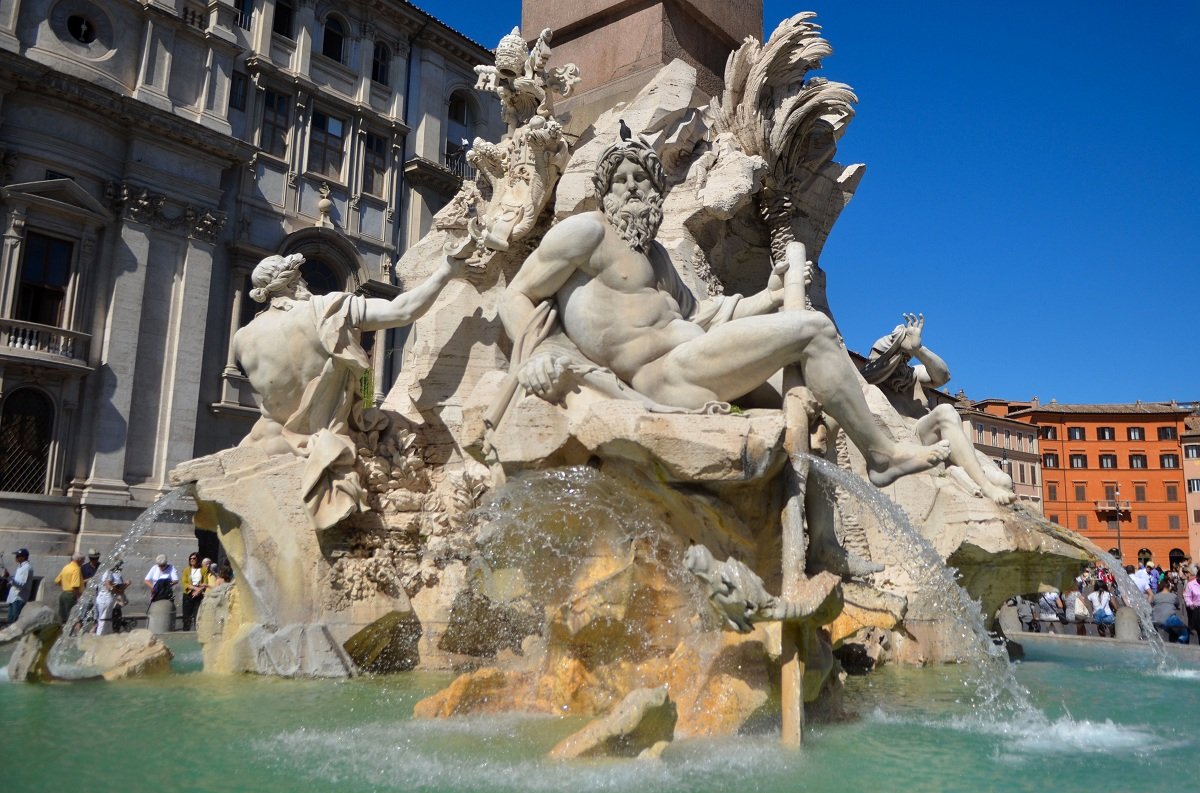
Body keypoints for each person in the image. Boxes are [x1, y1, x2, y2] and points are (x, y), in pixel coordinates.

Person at [499, 135, 950, 489]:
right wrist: (535, 354)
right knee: (813, 330)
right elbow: (515, 294)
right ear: (605, 191)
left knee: (816, 415)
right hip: (660, 377)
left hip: (695, 363)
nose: (634, 187)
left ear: (658, 192)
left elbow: (705, 317)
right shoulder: (585, 234)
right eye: (622, 179)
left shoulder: (656, 256)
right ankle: (882, 457)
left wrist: (771, 296)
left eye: (644, 179)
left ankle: (822, 543)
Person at [232, 250, 468, 530]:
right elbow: (404, 311)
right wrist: (446, 270)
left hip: (271, 446)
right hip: (333, 441)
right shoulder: (328, 310)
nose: (305, 284)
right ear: (292, 283)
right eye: (301, 278)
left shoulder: (242, 338)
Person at [861, 314, 1015, 504]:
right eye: (901, 359)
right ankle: (985, 486)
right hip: (914, 440)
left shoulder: (913, 375)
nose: (904, 365)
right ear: (889, 361)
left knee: (1006, 481)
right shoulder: (873, 386)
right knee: (946, 411)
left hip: (945, 441)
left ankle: (957, 471)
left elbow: (944, 376)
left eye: (906, 360)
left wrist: (919, 350)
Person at [1151, 577, 1189, 643]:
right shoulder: (1173, 596)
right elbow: (1177, 604)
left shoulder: (1155, 596)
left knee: (1172, 632)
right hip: (1169, 619)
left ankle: (1172, 645)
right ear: (1169, 586)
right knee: (1184, 633)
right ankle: (1179, 645)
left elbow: (1152, 604)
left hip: (1156, 620)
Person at [95, 561, 127, 635]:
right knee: (103, 621)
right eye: (119, 566)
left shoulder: (111, 573)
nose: (120, 568)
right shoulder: (108, 572)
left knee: (105, 620)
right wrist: (118, 591)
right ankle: (99, 638)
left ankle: (103, 636)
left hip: (106, 598)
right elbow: (108, 585)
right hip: (105, 599)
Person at [3, 548, 33, 623]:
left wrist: (9, 578)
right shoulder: (20, 567)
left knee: (14, 621)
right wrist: (9, 580)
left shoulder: (26, 568)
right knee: (10, 620)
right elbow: (17, 580)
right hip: (13, 597)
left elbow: (22, 584)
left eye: (18, 556)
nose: (16, 557)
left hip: (19, 598)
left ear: (23, 557)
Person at [54, 553, 85, 623]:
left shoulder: (66, 567)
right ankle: (76, 633)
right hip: (72, 595)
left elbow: (57, 581)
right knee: (74, 617)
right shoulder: (76, 569)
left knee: (63, 618)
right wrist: (78, 596)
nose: (83, 563)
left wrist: (65, 586)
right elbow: (75, 586)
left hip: (64, 594)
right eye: (83, 560)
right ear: (79, 560)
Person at [180, 553, 207, 631]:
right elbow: (184, 583)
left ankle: (197, 632)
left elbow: (205, 582)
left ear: (198, 559)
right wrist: (195, 589)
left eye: (194, 558)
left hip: (199, 594)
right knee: (186, 616)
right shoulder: (186, 570)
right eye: (190, 558)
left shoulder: (203, 569)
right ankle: (185, 631)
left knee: (197, 615)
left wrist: (198, 591)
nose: (192, 560)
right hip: (188, 593)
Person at [1185, 565, 1200, 645]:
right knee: (1197, 630)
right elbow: (1187, 597)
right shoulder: (1190, 585)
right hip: (1196, 609)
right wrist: (1191, 604)